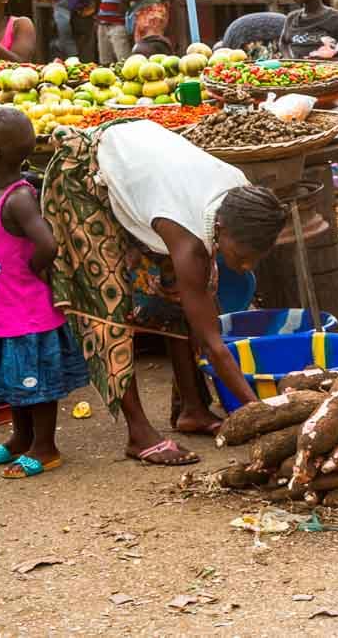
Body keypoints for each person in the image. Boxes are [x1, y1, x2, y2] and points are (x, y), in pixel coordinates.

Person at [42, 120, 289, 465]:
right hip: (86, 176)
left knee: (178, 291)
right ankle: (139, 434)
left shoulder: (242, 195)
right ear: (220, 229)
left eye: (256, 258)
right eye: (243, 255)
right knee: (108, 303)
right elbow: (214, 345)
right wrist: (260, 414)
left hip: (145, 169)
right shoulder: (188, 242)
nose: (247, 266)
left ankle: (192, 409)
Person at [0, 107, 88, 478]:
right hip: (0, 315)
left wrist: (32, 270)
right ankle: (21, 438)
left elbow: (47, 244)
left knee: (36, 385)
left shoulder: (18, 198)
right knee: (14, 382)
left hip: (26, 316)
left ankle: (45, 447)